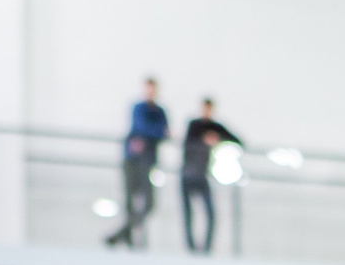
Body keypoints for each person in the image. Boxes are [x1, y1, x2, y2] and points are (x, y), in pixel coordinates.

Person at [104, 78, 168, 248]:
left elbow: (163, 133)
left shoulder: (160, 111)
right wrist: (155, 132)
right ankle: (128, 236)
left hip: (147, 162)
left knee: (149, 204)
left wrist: (151, 134)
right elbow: (143, 127)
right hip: (132, 160)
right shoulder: (138, 108)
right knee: (130, 201)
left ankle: (122, 234)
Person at [180, 97, 243, 254]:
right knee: (188, 214)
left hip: (202, 175)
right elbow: (188, 143)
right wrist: (204, 140)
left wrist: (218, 139)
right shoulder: (194, 125)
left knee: (211, 214)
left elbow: (238, 141)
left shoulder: (215, 127)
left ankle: (206, 249)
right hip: (188, 175)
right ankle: (191, 249)